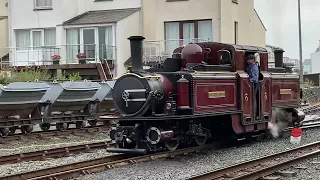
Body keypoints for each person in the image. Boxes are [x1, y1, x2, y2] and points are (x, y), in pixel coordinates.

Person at [245, 54, 259, 118]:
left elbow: (255, 78)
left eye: (249, 59)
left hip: (253, 84)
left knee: (253, 98)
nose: (247, 61)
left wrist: (247, 80)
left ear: (252, 59)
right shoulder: (249, 66)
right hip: (250, 84)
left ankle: (254, 114)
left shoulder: (254, 67)